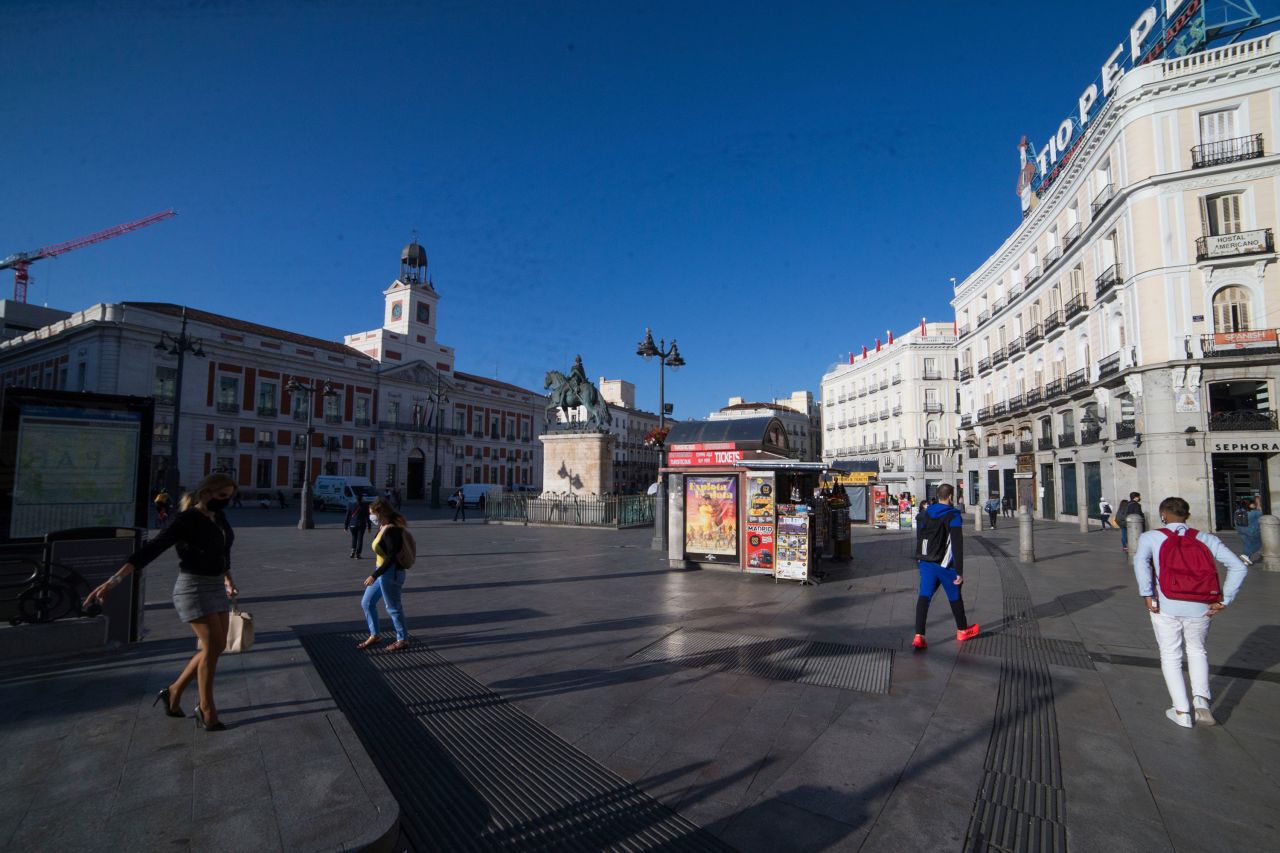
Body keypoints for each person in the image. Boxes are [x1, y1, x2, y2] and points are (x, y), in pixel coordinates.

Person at [84, 473, 239, 731]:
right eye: (222, 496)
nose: (227, 501)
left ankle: (174, 691)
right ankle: (206, 709)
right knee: (212, 647)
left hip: (215, 586)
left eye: (230, 497)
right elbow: (153, 548)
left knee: (217, 646)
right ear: (206, 493)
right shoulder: (186, 520)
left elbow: (224, 551)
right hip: (193, 588)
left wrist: (227, 579)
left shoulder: (219, 517)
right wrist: (114, 580)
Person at [1132, 496, 1248, 728]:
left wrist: (1147, 593)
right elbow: (1238, 566)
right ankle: (1201, 701)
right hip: (1201, 606)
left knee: (1171, 656)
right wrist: (1224, 599)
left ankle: (1182, 711)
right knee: (1197, 650)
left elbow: (1141, 563)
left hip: (1165, 604)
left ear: (1163, 515)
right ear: (1187, 516)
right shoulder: (1205, 538)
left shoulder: (1151, 537)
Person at [912, 483, 979, 649]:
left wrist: (920, 560)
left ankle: (919, 636)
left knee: (924, 597)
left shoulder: (924, 514)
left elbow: (920, 539)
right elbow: (957, 543)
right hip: (945, 565)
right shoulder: (953, 515)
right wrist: (959, 571)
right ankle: (962, 630)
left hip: (926, 562)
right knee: (955, 596)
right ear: (950, 496)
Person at [356, 498, 411, 652]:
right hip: (382, 571)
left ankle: (402, 639)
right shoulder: (382, 526)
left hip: (391, 573)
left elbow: (392, 557)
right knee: (367, 603)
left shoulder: (392, 530)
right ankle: (375, 634)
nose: (370, 517)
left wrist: (374, 575)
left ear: (380, 513)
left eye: (372, 514)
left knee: (393, 607)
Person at [1233, 498, 1262, 565]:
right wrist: (1259, 506)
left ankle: (1246, 560)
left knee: (1247, 545)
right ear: (1249, 504)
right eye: (1253, 503)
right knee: (1258, 544)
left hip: (1240, 530)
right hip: (1252, 531)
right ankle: (1246, 555)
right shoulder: (1255, 512)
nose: (1254, 504)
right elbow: (1264, 515)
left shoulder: (1237, 511)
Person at [345, 494, 372, 559]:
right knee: (360, 539)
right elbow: (367, 517)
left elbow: (347, 516)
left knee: (354, 538)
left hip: (352, 524)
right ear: (362, 499)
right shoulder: (365, 506)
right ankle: (358, 554)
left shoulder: (351, 505)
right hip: (361, 525)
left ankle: (352, 552)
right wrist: (369, 526)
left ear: (355, 499)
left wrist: (345, 526)